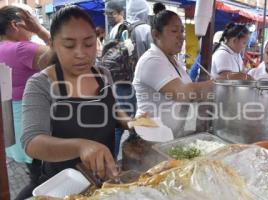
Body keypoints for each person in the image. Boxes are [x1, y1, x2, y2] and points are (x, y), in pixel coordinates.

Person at [19, 6, 134, 199]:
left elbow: (113, 110)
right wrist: (81, 146)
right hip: (63, 186)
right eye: (69, 45)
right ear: (54, 45)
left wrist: (130, 122)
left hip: (104, 182)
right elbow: (32, 141)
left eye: (88, 44)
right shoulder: (41, 84)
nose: (81, 53)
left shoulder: (102, 75)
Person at [133, 10, 214, 138]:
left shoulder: (172, 60)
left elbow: (192, 95)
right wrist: (222, 81)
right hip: (150, 137)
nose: (181, 36)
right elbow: (182, 93)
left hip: (170, 134)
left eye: (182, 31)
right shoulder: (152, 60)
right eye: (174, 31)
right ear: (156, 35)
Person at [0, 5, 52, 195]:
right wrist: (40, 29)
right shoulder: (22, 49)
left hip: (12, 125)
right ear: (15, 24)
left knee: (36, 177)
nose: (31, 25)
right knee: (42, 182)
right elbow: (65, 56)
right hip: (32, 124)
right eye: (29, 20)